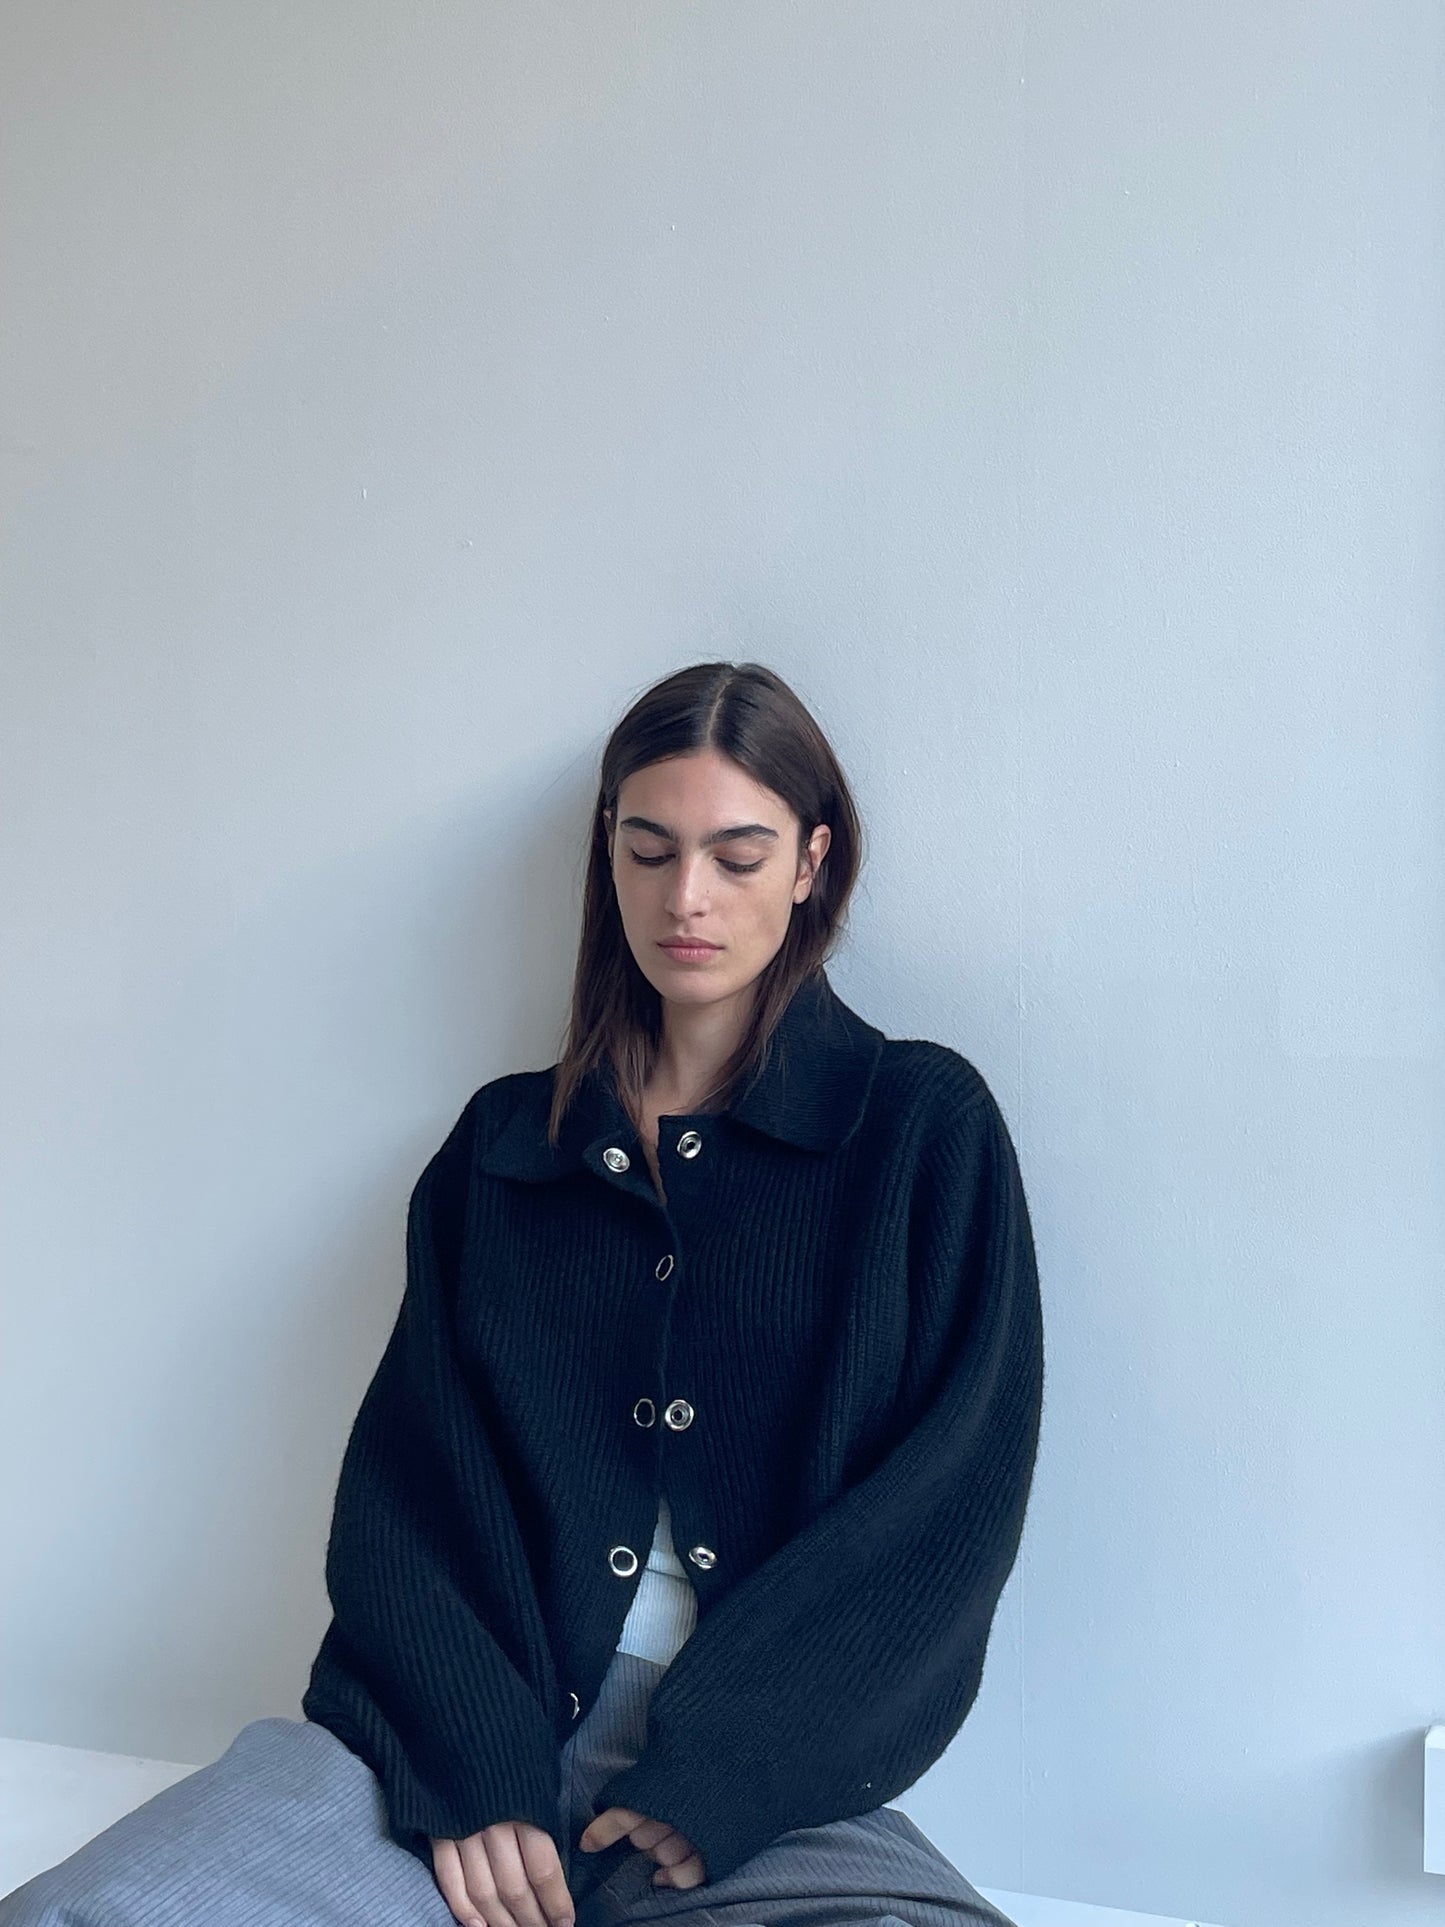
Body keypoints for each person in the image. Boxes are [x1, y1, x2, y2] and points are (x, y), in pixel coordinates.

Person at [0, 660, 1044, 1927]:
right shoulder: (504, 1151)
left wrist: (725, 1769)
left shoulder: (920, 1132)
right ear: (607, 851)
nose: (686, 897)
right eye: (648, 850)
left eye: (737, 854)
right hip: (455, 1755)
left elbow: (944, 1517)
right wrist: (473, 1766)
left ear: (811, 862)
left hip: (770, 1791)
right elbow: (406, 1498)